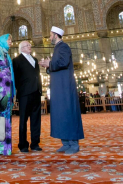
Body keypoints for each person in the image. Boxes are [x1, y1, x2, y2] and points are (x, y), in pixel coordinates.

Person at [39, 26, 84, 154]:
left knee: (68, 113)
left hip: (65, 87)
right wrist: (48, 66)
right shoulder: (57, 48)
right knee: (60, 114)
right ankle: (65, 143)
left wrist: (50, 64)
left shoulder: (63, 47)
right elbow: (57, 65)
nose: (49, 37)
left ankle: (73, 144)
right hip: (59, 87)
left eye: (50, 35)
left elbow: (63, 62)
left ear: (55, 35)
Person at [12, 40, 42, 152]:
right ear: (22, 48)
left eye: (30, 45)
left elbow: (37, 76)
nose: (30, 46)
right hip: (24, 94)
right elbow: (15, 78)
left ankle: (35, 143)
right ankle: (23, 145)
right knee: (23, 120)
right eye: (27, 45)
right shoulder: (16, 60)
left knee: (36, 120)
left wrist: (40, 90)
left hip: (36, 93)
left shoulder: (35, 60)